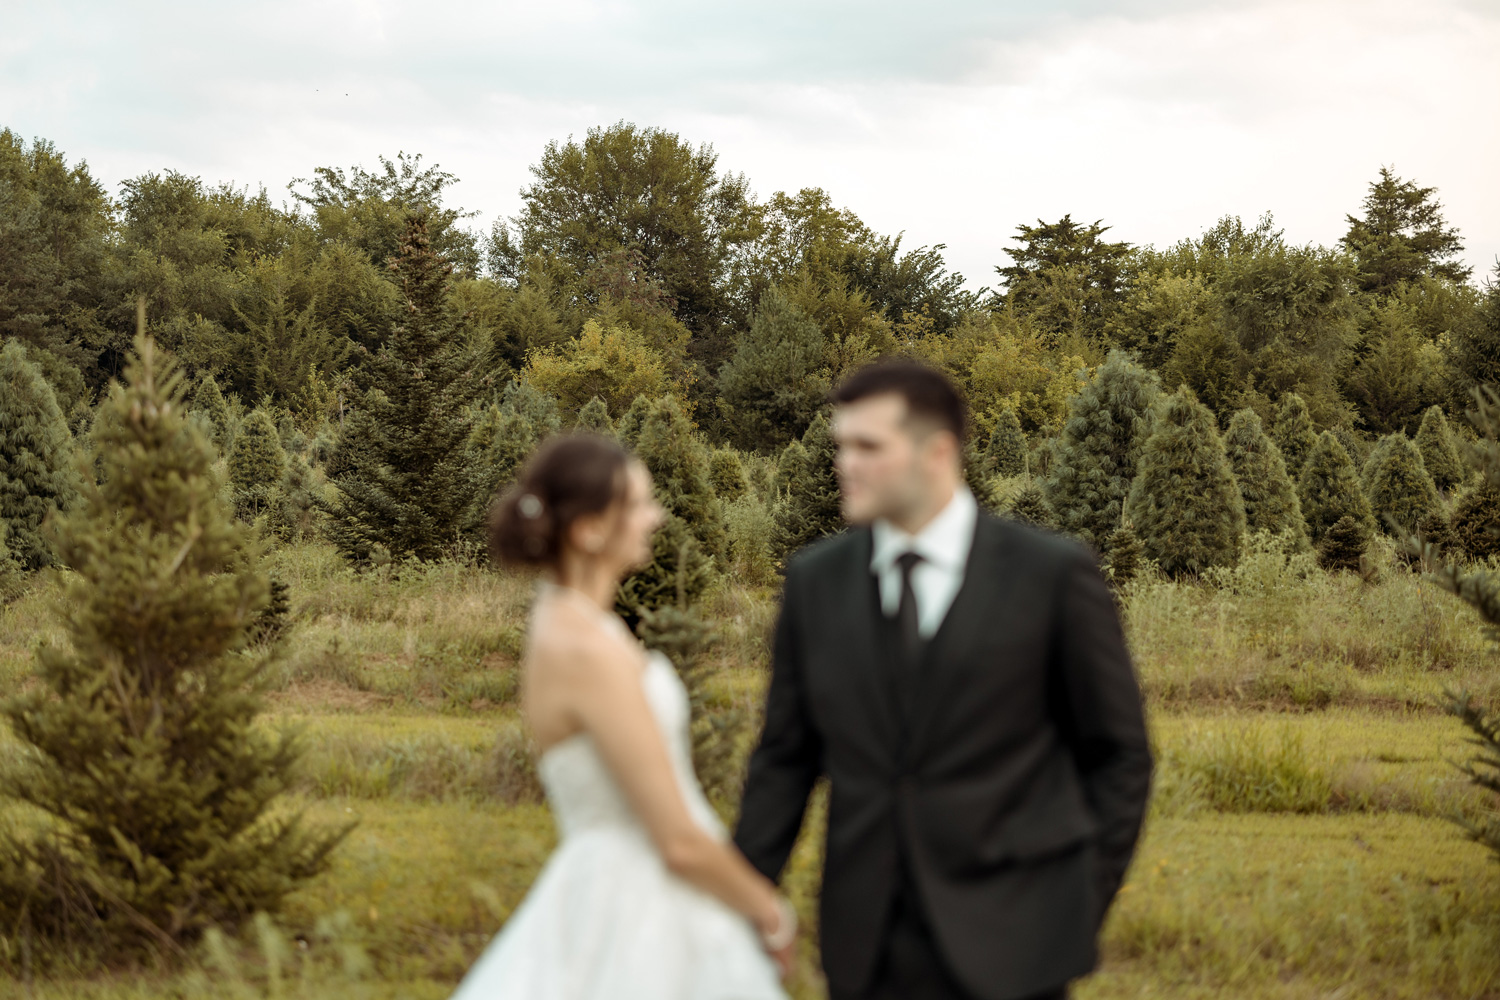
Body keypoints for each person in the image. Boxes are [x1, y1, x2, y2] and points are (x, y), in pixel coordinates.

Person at [734, 360, 1153, 1000]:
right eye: (842, 445)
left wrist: (1072, 906)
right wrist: (743, 895)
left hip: (1018, 940)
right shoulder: (815, 581)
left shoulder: (1051, 575)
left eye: (868, 446)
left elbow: (1119, 755)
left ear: (938, 451)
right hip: (866, 946)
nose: (844, 463)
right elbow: (785, 758)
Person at [452, 434, 793, 1000]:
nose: (655, 517)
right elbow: (676, 839)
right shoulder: (586, 649)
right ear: (589, 530)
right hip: (637, 906)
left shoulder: (569, 624)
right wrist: (769, 911)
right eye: (638, 504)